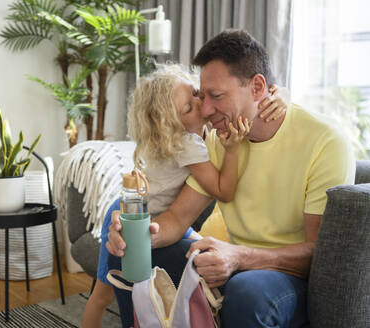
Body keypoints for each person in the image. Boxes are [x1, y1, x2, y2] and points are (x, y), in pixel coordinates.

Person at [106, 29, 355, 328]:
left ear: (258, 87)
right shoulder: (218, 142)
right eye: (201, 95)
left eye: (217, 96)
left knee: (247, 291)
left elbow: (319, 252)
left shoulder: (325, 143)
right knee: (127, 255)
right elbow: (176, 218)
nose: (206, 110)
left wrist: (240, 257)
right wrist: (135, 238)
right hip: (233, 265)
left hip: (289, 278)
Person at [82, 64, 288, 328]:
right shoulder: (185, 143)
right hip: (134, 217)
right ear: (171, 125)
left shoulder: (199, 130)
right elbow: (223, 190)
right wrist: (233, 149)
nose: (201, 104)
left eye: (196, 93)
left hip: (155, 214)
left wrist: (282, 93)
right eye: (189, 108)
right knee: (102, 295)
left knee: (197, 247)